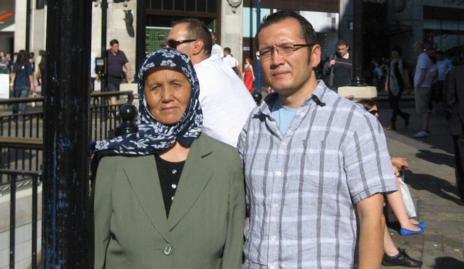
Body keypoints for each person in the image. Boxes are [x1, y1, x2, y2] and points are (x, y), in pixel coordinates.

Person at [238, 11, 397, 269]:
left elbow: (372, 218)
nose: (276, 60)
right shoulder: (254, 123)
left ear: (314, 55)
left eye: (288, 48)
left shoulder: (353, 123)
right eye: (266, 52)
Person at [93, 48, 245, 269]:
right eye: (155, 88)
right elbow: (98, 245)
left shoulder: (225, 161)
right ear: (143, 95)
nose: (166, 97)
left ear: (192, 88)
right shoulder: (115, 161)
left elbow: (232, 251)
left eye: (176, 84)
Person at [167, 18, 255, 148]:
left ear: (197, 47)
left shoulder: (193, 77)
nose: (167, 48)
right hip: (249, 151)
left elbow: (167, 128)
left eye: (173, 44)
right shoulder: (221, 67)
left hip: (232, 159)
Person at [358, 99, 423, 268]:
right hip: (356, 187)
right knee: (374, 206)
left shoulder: (370, 130)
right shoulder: (359, 130)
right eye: (372, 112)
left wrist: (391, 162)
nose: (377, 115)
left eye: (377, 112)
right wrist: (390, 164)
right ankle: (399, 235)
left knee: (376, 205)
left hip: (364, 182)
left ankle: (392, 251)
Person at [446, 59, 464, 202]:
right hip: (458, 122)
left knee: (461, 158)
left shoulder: (454, 73)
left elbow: (449, 100)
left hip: (459, 122)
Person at [385, 47, 410, 130]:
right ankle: (405, 116)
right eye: (393, 52)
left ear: (399, 53)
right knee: (392, 105)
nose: (394, 54)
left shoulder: (402, 62)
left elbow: (406, 75)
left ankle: (393, 124)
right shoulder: (390, 62)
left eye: (395, 52)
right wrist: (386, 84)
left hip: (399, 85)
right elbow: (388, 74)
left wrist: (408, 86)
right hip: (390, 84)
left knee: (395, 104)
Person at [413, 42, 435, 138]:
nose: (414, 49)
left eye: (415, 47)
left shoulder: (422, 57)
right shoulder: (424, 57)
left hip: (422, 87)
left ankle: (424, 129)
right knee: (424, 108)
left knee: (423, 109)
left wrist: (418, 84)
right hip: (425, 86)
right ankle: (424, 128)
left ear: (419, 48)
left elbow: (423, 71)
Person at [106, 39, 132, 105]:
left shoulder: (121, 53)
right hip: (109, 78)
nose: (117, 48)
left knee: (115, 97)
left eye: (117, 46)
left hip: (118, 79)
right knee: (113, 94)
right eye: (115, 46)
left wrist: (128, 72)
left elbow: (127, 64)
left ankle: (111, 111)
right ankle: (115, 113)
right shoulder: (106, 53)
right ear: (111, 47)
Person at [11, 50, 35, 114]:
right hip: (26, 85)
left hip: (17, 85)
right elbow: (30, 75)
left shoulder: (16, 64)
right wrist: (32, 85)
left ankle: (15, 114)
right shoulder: (28, 64)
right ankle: (21, 115)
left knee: (16, 101)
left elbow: (13, 74)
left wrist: (11, 83)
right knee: (23, 101)